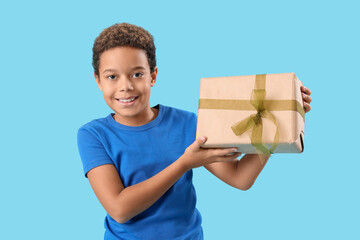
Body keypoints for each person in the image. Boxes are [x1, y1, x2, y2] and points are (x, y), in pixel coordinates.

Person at [77, 23, 312, 240]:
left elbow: (240, 178)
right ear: (98, 80)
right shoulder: (93, 135)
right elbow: (119, 210)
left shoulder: (186, 122)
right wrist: (183, 163)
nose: (125, 86)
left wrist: (280, 118)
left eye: (137, 74)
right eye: (112, 77)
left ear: (153, 76)